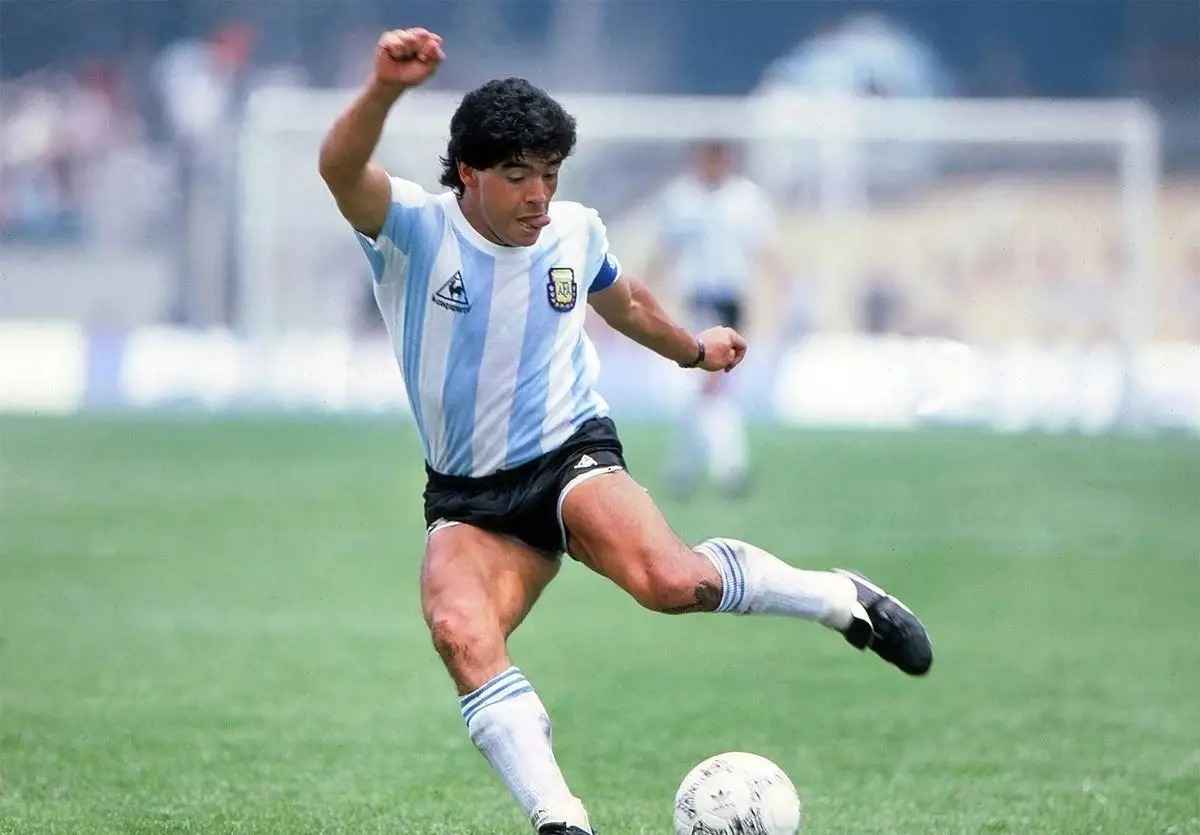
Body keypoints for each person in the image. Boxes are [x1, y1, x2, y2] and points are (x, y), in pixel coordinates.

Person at [319, 28, 933, 835]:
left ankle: (840, 599)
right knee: (460, 634)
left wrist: (694, 351)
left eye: (550, 174)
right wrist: (384, 89)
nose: (539, 195)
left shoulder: (574, 232)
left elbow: (626, 300)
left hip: (569, 452)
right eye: (518, 176)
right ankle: (561, 819)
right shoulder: (413, 230)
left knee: (673, 583)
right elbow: (340, 170)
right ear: (467, 172)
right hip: (468, 496)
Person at [649, 141, 779, 497]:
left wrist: (776, 297)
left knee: (712, 389)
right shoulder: (680, 199)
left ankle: (699, 468)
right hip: (696, 301)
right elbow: (664, 250)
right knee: (704, 389)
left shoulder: (746, 199)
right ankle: (719, 468)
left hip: (731, 302)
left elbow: (766, 251)